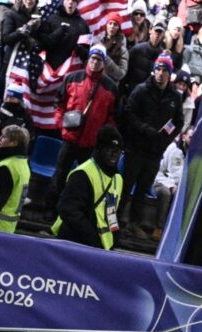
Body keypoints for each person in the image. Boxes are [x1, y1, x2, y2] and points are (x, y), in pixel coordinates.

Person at [47, 45, 118, 207]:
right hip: (69, 138)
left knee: (82, 180)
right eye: (93, 58)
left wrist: (101, 137)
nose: (95, 62)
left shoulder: (111, 87)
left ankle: (73, 209)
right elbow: (59, 103)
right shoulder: (72, 78)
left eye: (99, 60)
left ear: (104, 62)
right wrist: (61, 125)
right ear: (88, 59)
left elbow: (112, 117)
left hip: (91, 143)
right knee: (59, 174)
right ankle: (50, 208)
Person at [121, 51, 184, 227]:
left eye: (165, 70)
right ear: (154, 70)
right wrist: (143, 128)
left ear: (169, 73)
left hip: (155, 152)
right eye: (158, 69)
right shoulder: (141, 90)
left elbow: (178, 121)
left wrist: (165, 137)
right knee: (125, 188)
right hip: (136, 148)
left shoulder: (175, 97)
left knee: (143, 189)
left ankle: (134, 224)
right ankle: (115, 222)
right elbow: (128, 113)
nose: (161, 73)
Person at [52, 125, 124, 250]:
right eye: (110, 149)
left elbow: (111, 212)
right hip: (74, 241)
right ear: (99, 149)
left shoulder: (118, 179)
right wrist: (92, 238)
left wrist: (114, 238)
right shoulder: (82, 173)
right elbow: (67, 209)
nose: (114, 154)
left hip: (100, 246)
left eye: (118, 151)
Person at [150, 131, 187, 241]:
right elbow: (164, 172)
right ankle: (159, 228)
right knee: (166, 193)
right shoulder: (173, 149)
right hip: (160, 180)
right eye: (190, 136)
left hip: (177, 184)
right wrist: (171, 185)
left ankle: (175, 231)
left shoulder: (193, 153)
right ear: (183, 137)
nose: (193, 139)